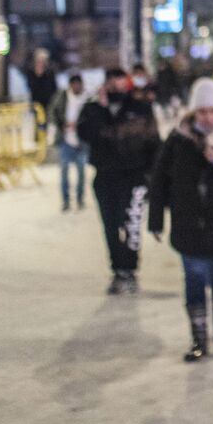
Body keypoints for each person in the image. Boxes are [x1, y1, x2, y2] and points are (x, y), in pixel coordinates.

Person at [147, 78, 213, 362]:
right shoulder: (178, 139)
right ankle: (198, 339)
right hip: (189, 224)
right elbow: (159, 179)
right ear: (193, 113)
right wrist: (155, 218)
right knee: (194, 281)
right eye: (201, 111)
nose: (207, 117)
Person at [78, 68, 161, 294]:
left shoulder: (140, 108)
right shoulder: (94, 109)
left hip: (134, 175)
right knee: (111, 225)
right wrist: (102, 110)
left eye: (121, 81)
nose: (117, 86)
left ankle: (130, 269)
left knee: (131, 223)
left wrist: (154, 177)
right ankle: (118, 269)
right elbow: (86, 134)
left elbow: (153, 142)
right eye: (112, 81)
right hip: (105, 176)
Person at [50, 73, 94, 212]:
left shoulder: (87, 99)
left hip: (81, 140)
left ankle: (80, 199)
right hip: (66, 139)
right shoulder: (62, 97)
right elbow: (53, 112)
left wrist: (80, 126)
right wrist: (61, 125)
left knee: (81, 171)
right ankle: (66, 201)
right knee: (64, 171)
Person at [24, 49, 58, 116]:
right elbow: (31, 87)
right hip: (35, 105)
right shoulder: (31, 73)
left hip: (48, 105)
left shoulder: (49, 74)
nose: (40, 63)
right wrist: (38, 76)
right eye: (39, 61)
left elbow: (53, 90)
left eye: (43, 61)